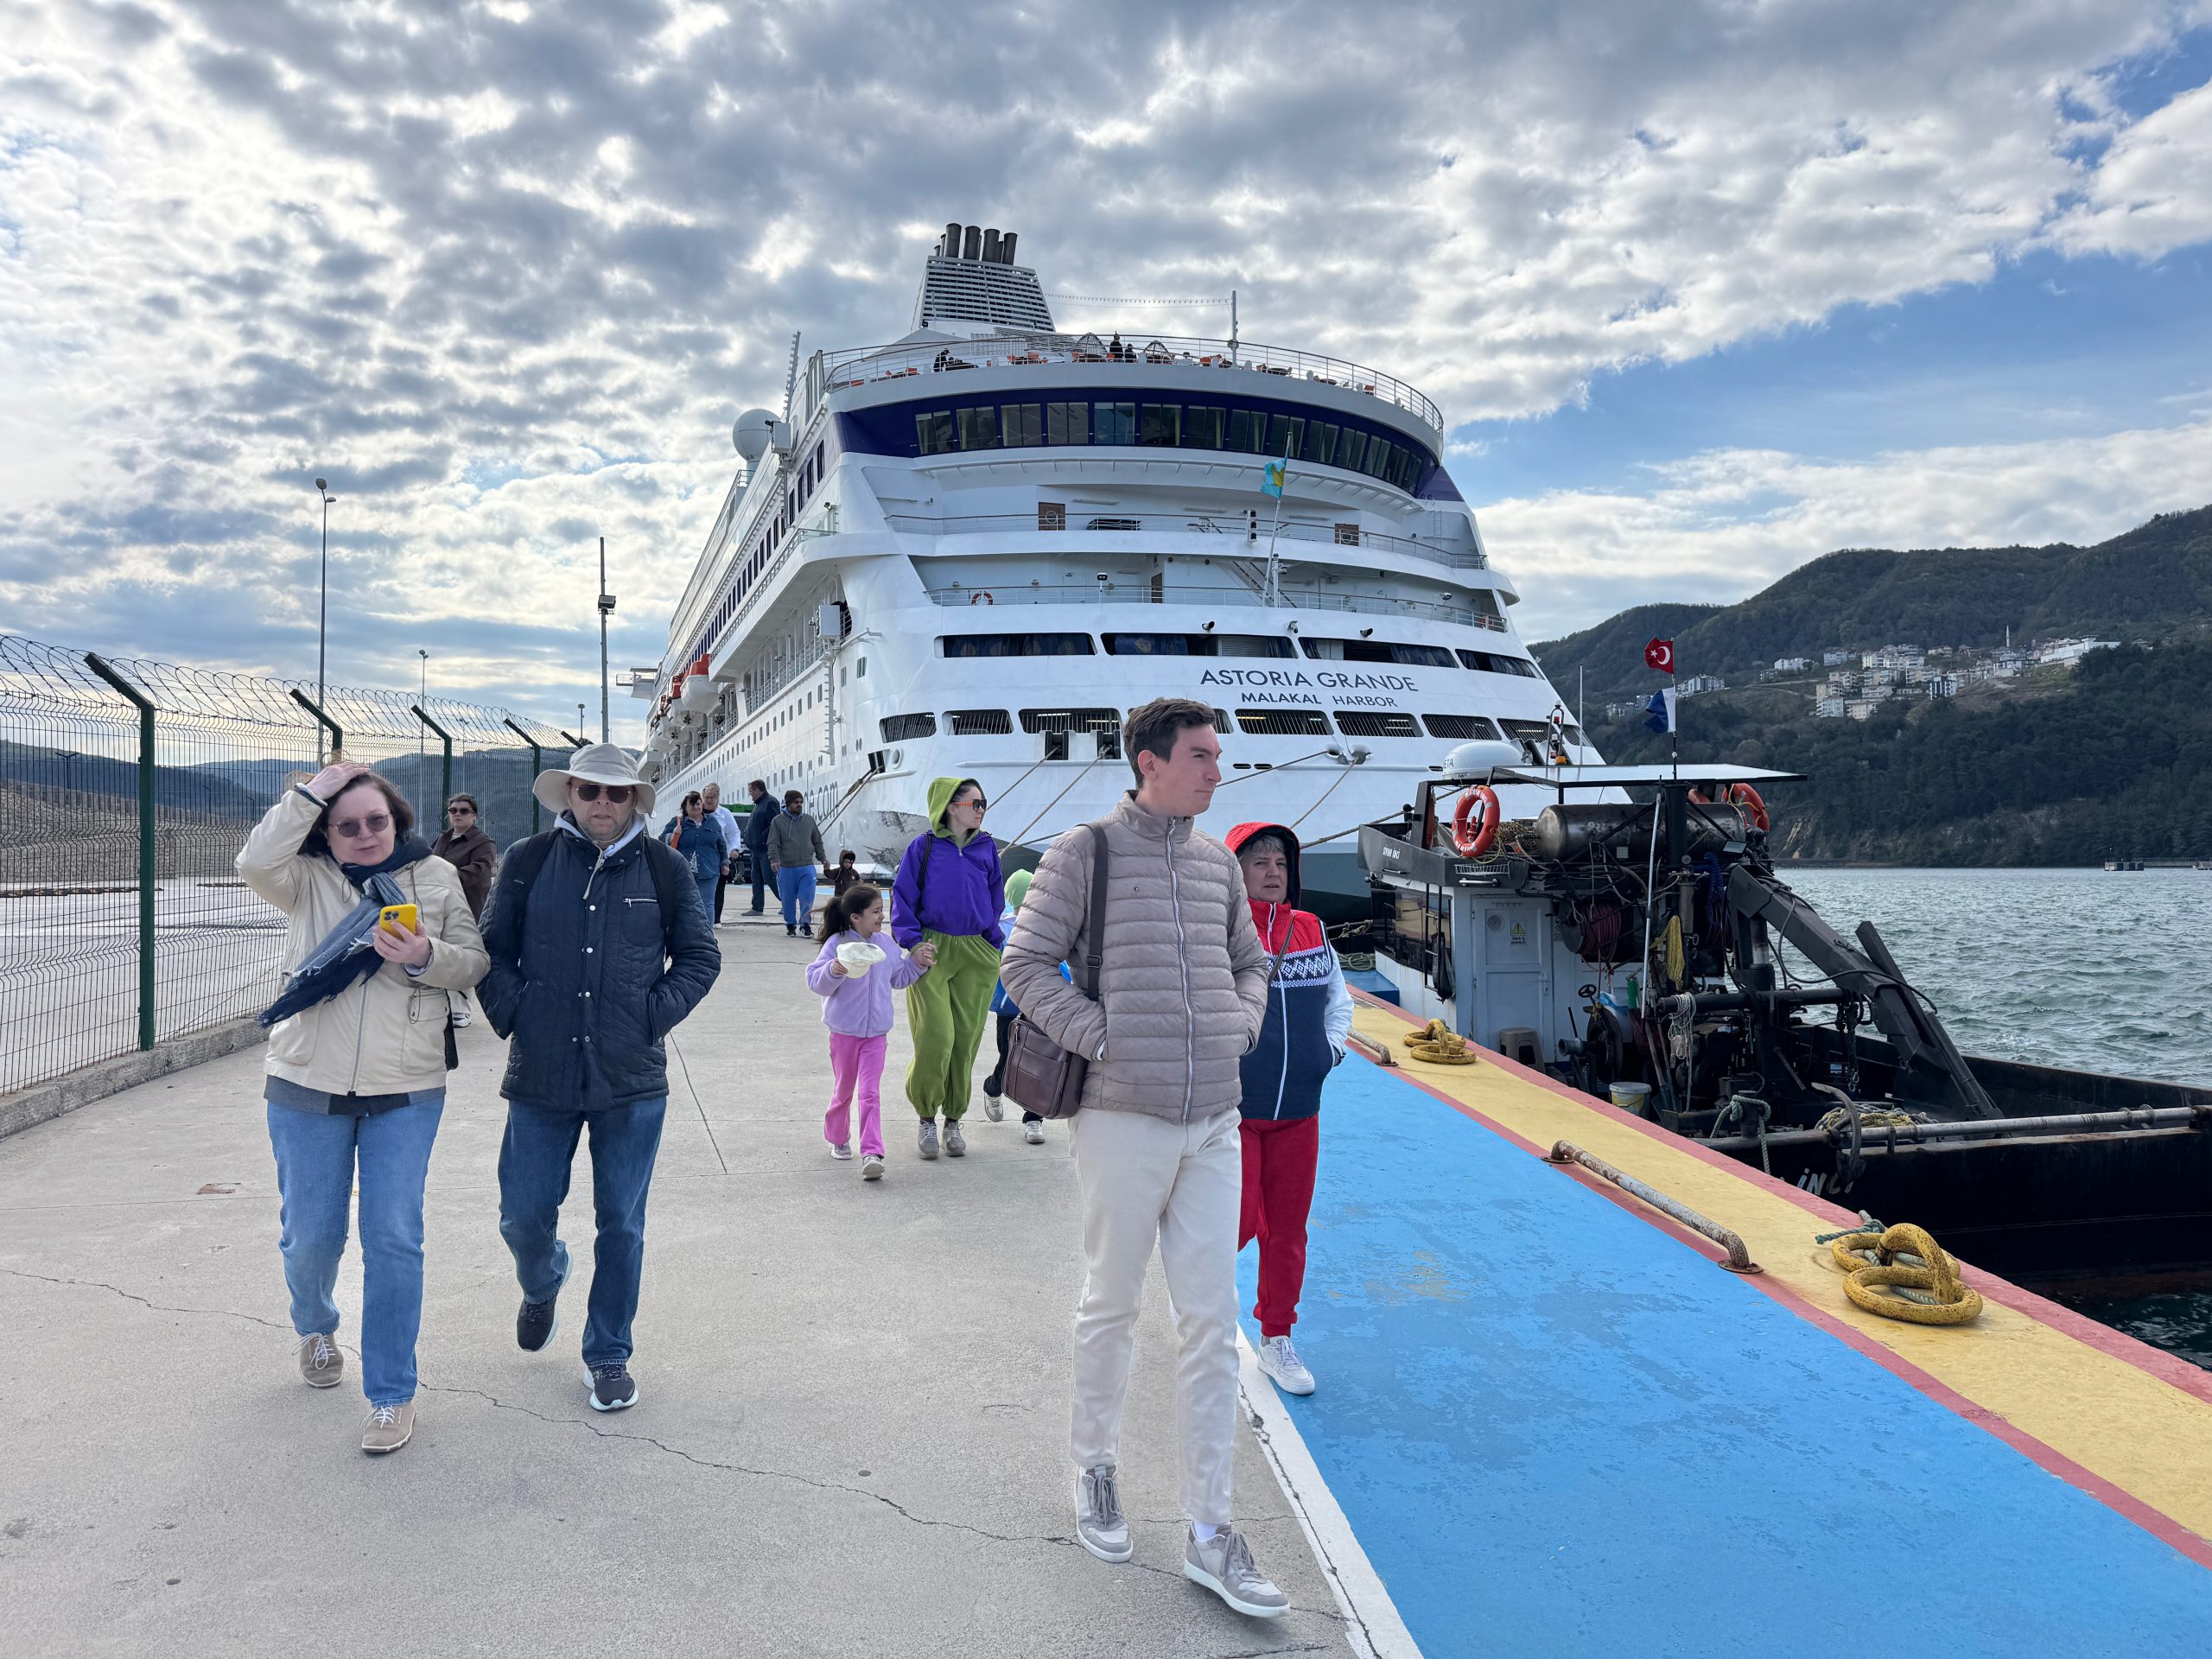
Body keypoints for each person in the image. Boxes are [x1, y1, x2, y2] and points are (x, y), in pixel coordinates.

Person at [1001, 698, 1286, 1618]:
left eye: (1216, 756)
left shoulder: (1215, 865)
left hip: (1213, 1120)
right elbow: (1023, 966)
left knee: (1211, 1321)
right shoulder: (1084, 851)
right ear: (1149, 761)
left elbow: (1251, 963)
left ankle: (1211, 1529)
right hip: (1122, 1115)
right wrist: (1104, 1038)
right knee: (1113, 1302)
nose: (1215, 772)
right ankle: (1093, 1468)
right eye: (1200, 756)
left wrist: (1241, 1026)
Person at [236, 760, 488, 1456]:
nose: (366, 834)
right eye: (347, 826)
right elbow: (254, 860)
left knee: (394, 1239)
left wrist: (424, 955)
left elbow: (473, 961)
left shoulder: (435, 876)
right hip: (305, 1080)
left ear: (397, 820)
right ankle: (316, 1327)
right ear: (327, 833)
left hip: (405, 1085)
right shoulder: (303, 877)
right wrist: (311, 792)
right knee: (311, 1237)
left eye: (377, 820)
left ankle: (390, 1394)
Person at [479, 743, 721, 1414]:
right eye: (590, 790)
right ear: (570, 795)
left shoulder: (665, 867)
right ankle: (543, 1279)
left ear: (634, 801)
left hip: (630, 1080)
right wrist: (517, 1013)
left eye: (617, 793)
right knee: (523, 1216)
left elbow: (700, 957)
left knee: (622, 1224)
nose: (603, 803)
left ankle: (609, 1352)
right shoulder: (527, 861)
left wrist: (650, 1017)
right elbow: (491, 950)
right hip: (541, 1074)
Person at [1225, 823, 1353, 1397]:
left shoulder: (1312, 929)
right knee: (1236, 1222)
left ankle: (1277, 1337)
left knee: (1288, 1230)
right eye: (1259, 863)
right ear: (1236, 872)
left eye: (1280, 862)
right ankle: (1201, 1311)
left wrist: (1328, 1053)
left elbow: (1338, 1003)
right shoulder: (1220, 932)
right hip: (1233, 1109)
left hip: (1301, 1109)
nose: (1273, 872)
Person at [890, 778, 1005, 1160]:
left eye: (983, 802)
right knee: (935, 1038)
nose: (981, 809)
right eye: (975, 803)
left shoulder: (987, 848)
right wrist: (912, 943)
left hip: (976, 952)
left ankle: (953, 1120)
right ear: (951, 806)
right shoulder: (922, 847)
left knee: (966, 1041)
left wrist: (992, 941)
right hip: (932, 950)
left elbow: (995, 897)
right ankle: (926, 1117)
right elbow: (903, 896)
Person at [804, 883, 936, 1182]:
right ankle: (838, 1136)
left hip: (876, 1035)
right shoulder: (837, 945)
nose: (881, 917)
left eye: (882, 910)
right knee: (844, 1090)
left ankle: (872, 1152)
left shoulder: (886, 945)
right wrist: (834, 970)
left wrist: (918, 963)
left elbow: (899, 978)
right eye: (876, 911)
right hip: (844, 1034)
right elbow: (816, 982)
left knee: (870, 1093)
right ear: (855, 917)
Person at [981, 868, 1058, 1145]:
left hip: (1039, 1008)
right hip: (1010, 1009)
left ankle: (1033, 1119)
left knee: (1038, 1063)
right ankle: (993, 1087)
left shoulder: (1048, 926)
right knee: (1010, 1058)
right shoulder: (1001, 929)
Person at [431, 791, 496, 1027]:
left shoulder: (483, 843)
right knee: (441, 954)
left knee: (462, 955)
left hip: (467, 907)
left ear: (474, 815)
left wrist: (448, 875)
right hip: (438, 905)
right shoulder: (442, 839)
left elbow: (481, 870)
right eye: (453, 810)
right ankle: (445, 1007)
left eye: (463, 811)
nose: (457, 814)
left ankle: (461, 1010)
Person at [766, 786, 829, 937]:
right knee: (788, 899)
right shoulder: (778, 821)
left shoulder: (809, 820)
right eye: (796, 802)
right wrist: (774, 860)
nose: (799, 805)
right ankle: (790, 924)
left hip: (807, 866)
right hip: (786, 868)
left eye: (801, 802)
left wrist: (823, 858)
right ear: (788, 804)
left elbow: (817, 841)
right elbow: (773, 842)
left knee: (807, 898)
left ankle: (805, 924)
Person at [662, 789, 728, 922]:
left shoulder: (712, 822)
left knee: (707, 904)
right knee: (685, 904)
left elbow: (721, 843)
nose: (696, 807)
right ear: (685, 807)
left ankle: (707, 933)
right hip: (684, 872)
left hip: (709, 871)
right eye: (692, 804)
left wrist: (724, 863)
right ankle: (687, 931)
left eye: (698, 804)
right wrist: (673, 835)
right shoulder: (677, 822)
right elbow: (662, 839)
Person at [702, 782, 743, 924]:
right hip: (703, 857)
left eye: (712, 797)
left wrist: (734, 849)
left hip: (721, 857)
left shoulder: (725, 814)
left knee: (718, 888)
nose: (709, 800)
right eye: (707, 797)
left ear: (717, 798)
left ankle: (716, 919)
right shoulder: (697, 812)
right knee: (703, 889)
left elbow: (734, 833)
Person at [743, 779, 776, 914]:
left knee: (769, 877)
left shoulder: (770, 802)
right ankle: (757, 907)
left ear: (757, 790)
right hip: (755, 849)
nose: (750, 794)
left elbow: (773, 824)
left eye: (751, 791)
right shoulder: (758, 804)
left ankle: (787, 902)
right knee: (756, 877)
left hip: (764, 848)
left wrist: (762, 839)